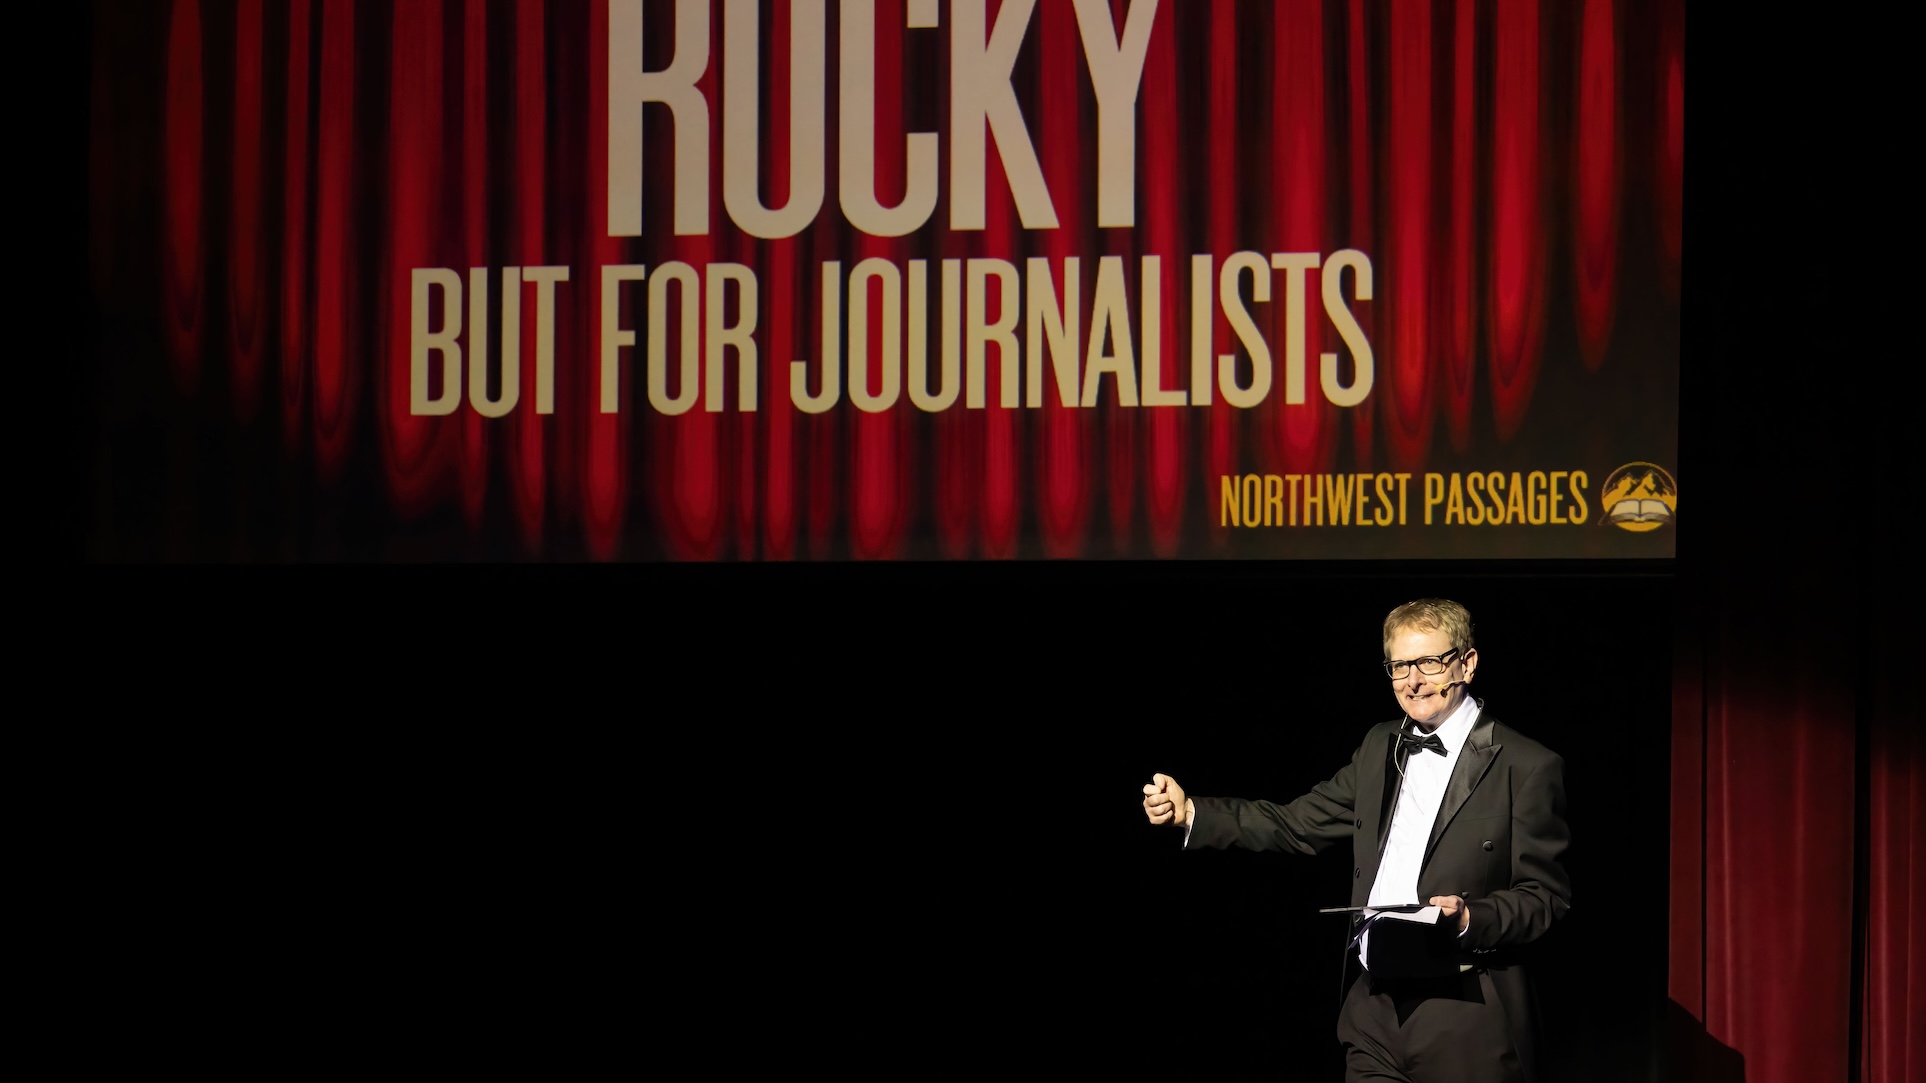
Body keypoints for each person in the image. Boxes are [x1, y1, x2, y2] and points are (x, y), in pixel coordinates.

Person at [1142, 598, 1571, 1083]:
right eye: (1399, 666)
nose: (1413, 680)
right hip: (1373, 1011)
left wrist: (1471, 917)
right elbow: (1297, 823)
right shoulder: (1379, 746)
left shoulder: (1526, 765)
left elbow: (1546, 897)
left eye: (1430, 662)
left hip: (1464, 1011)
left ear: (1467, 664)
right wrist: (1192, 812)